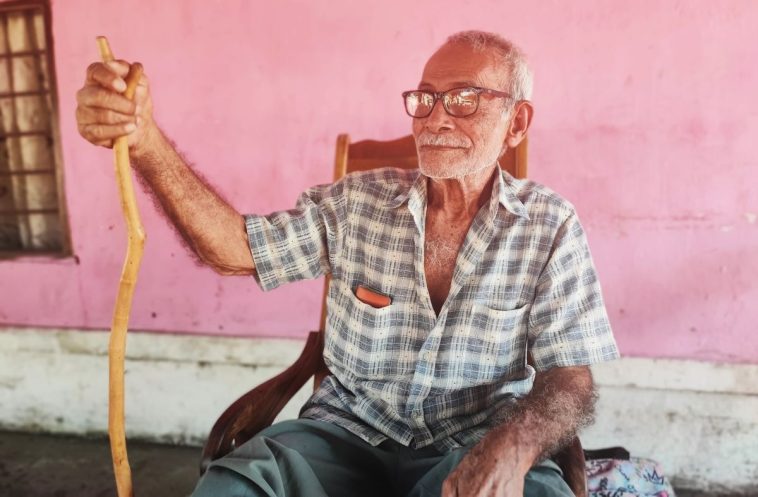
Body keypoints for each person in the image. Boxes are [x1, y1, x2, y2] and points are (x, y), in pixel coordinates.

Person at [76, 30, 619, 497]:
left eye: (463, 98)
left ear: (516, 123)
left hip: (475, 442)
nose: (434, 117)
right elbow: (235, 248)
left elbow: (570, 378)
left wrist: (516, 445)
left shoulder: (550, 225)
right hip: (341, 440)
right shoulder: (356, 203)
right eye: (424, 97)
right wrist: (145, 139)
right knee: (236, 484)